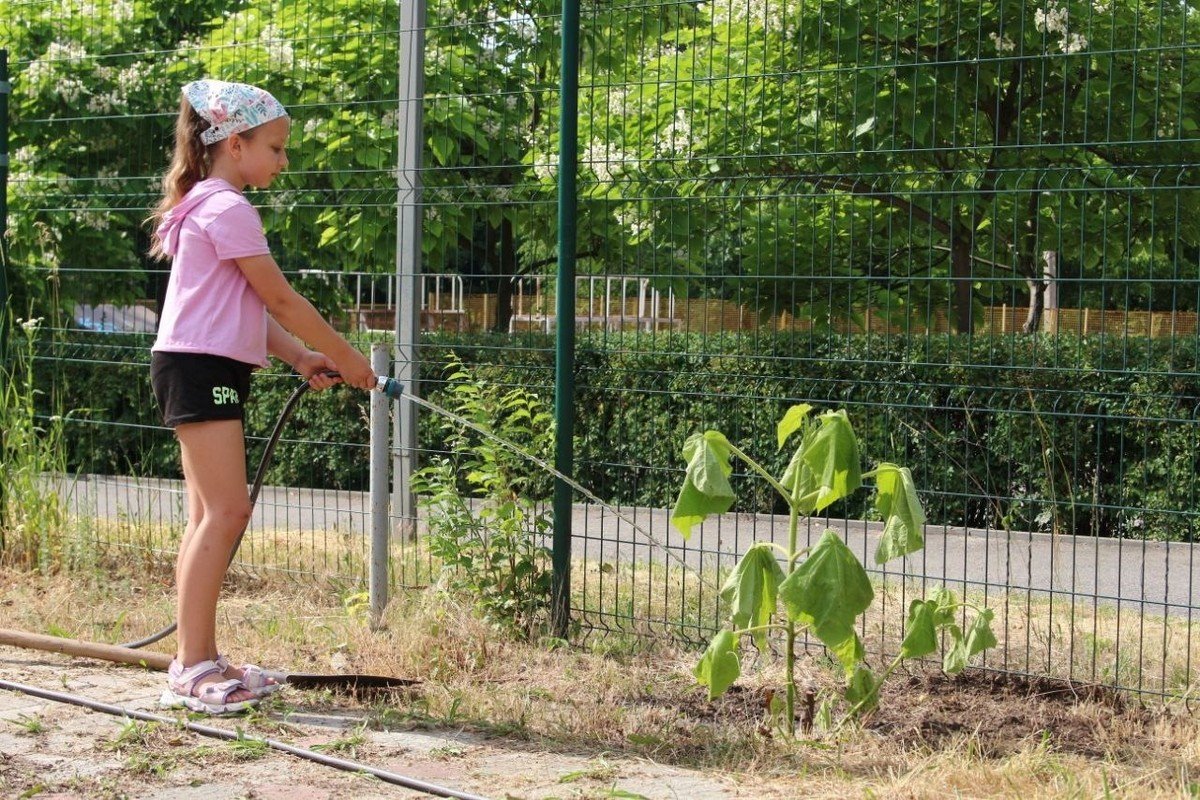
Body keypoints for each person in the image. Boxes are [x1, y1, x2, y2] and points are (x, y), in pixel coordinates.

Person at [147, 79, 377, 714]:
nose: (283, 161)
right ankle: (191, 668)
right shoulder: (227, 208)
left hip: (200, 365)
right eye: (275, 148)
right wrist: (353, 359)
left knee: (208, 517)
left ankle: (199, 658)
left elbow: (247, 307)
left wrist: (301, 355)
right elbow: (280, 298)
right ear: (236, 143)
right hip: (199, 369)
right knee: (227, 513)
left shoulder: (212, 203)